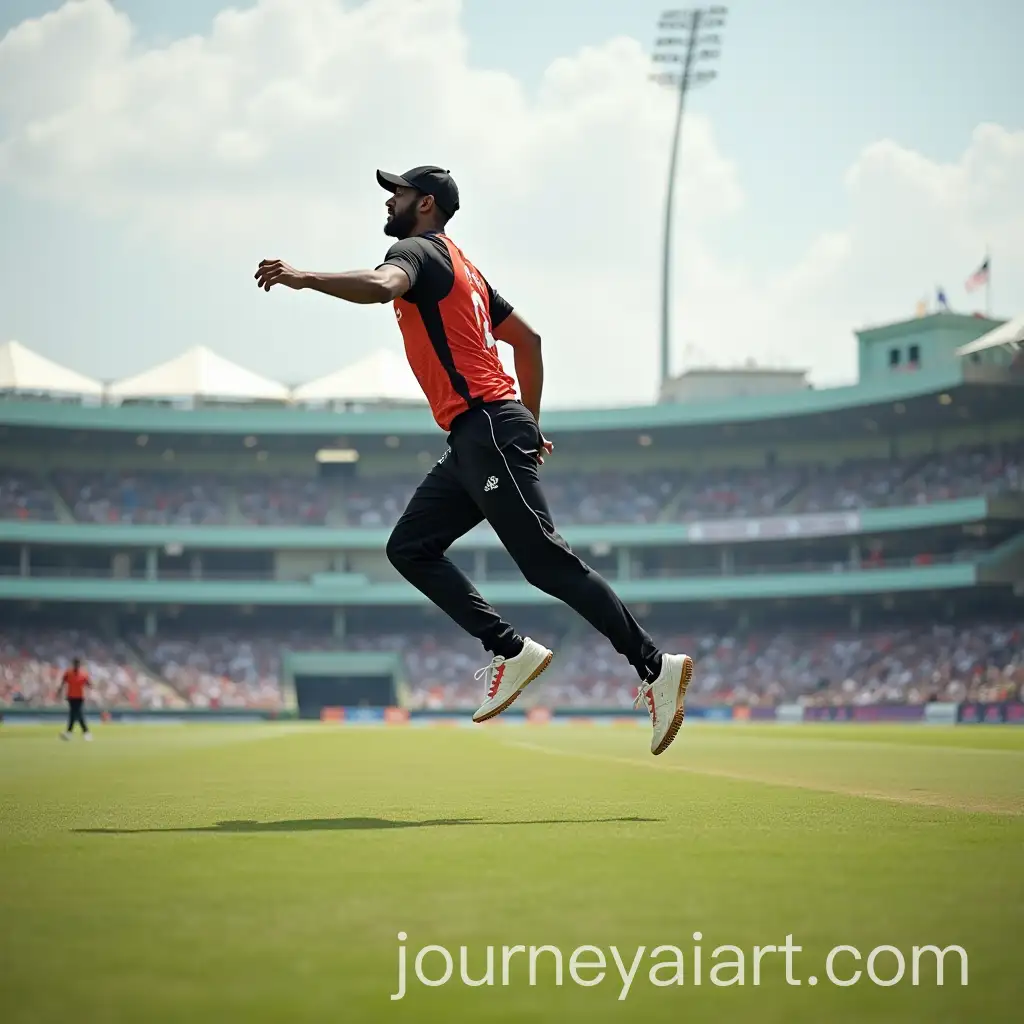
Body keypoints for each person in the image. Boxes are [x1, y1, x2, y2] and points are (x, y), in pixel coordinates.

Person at [255, 165, 693, 755]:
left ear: (426, 204)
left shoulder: (415, 252)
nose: (389, 201)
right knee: (408, 547)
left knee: (545, 563)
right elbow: (529, 343)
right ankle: (510, 649)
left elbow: (385, 286)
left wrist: (305, 276)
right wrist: (531, 425)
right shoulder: (467, 270)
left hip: (486, 426)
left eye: (399, 193)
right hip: (474, 436)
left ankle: (653, 666)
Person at [58, 657, 93, 741]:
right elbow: (63, 682)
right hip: (71, 697)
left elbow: (89, 684)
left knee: (78, 714)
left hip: (80, 697)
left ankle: (85, 732)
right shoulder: (68, 673)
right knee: (73, 715)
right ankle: (72, 733)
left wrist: (90, 688)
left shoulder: (83, 674)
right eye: (75, 664)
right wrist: (59, 691)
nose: (76, 666)